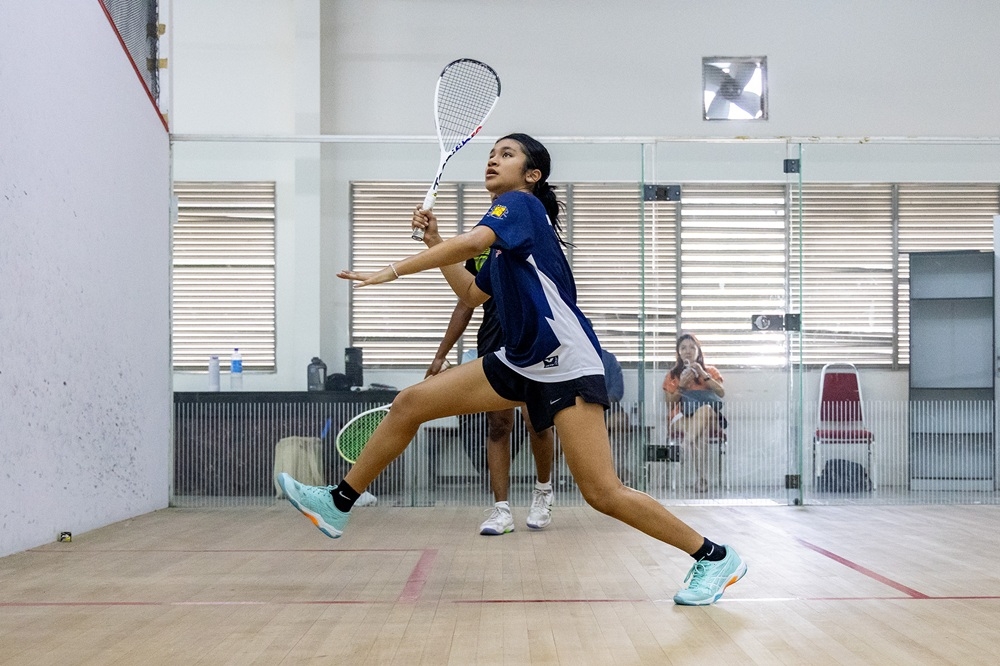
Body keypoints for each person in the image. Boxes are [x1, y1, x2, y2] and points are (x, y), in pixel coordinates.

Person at [278, 133, 745, 606]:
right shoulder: (504, 245)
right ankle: (338, 503)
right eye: (491, 154)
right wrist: (435, 240)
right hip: (521, 359)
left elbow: (473, 240)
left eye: (506, 154)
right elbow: (471, 294)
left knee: (603, 493)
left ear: (531, 175)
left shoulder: (519, 206)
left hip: (565, 363)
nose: (492, 160)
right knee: (411, 403)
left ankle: (714, 556)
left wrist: (393, 270)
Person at [425, 256, 556, 534]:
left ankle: (543, 492)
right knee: (498, 425)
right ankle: (501, 509)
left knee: (537, 422)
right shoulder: (483, 251)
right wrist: (441, 354)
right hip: (493, 343)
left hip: (534, 344)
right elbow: (466, 302)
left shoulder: (536, 243)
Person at [662, 332, 726, 493]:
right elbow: (670, 404)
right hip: (681, 418)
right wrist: (682, 385)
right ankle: (702, 480)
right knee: (700, 434)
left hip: (707, 417)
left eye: (692, 347)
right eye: (683, 348)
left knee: (705, 409)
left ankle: (684, 445)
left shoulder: (710, 371)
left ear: (698, 351)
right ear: (678, 352)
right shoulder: (672, 375)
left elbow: (721, 393)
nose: (688, 351)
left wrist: (703, 374)